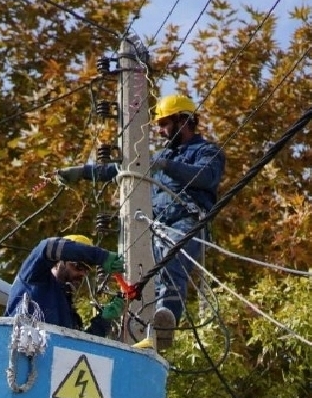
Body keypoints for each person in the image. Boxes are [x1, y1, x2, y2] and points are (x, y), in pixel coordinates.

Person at [56, 93, 226, 350]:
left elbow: (206, 177)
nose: (160, 130)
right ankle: (145, 334)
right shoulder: (161, 155)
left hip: (187, 222)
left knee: (170, 262)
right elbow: (121, 170)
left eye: (165, 124)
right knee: (141, 276)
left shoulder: (206, 151)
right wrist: (82, 172)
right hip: (155, 226)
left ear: (184, 120)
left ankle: (164, 323)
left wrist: (166, 165)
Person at [4, 235, 125, 337]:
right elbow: (47, 247)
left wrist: (104, 321)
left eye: (87, 270)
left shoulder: (69, 313)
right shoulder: (34, 277)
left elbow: (77, 352)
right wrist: (101, 257)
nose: (82, 273)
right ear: (58, 261)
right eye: (78, 266)